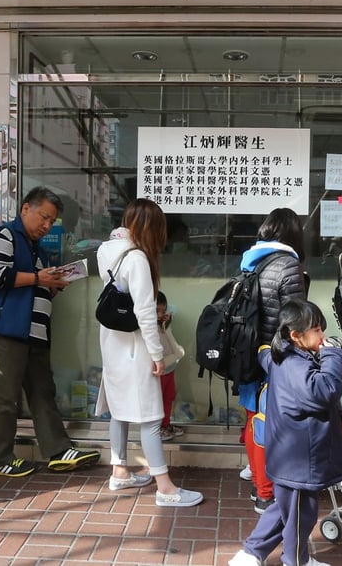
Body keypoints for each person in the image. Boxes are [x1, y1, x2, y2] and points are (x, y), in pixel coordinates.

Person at [0, 186, 100, 476]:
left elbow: (33, 286)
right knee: (3, 397)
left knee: (43, 392)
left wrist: (51, 286)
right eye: (44, 217)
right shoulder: (1, 237)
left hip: (34, 332)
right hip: (6, 331)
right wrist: (39, 277)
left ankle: (58, 450)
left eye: (52, 221)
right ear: (25, 209)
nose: (47, 225)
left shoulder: (35, 249)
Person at [229, 299, 342, 566]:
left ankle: (250, 555)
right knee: (301, 515)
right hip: (299, 458)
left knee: (283, 509)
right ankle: (296, 561)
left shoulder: (284, 356)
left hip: (291, 455)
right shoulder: (295, 365)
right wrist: (334, 356)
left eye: (322, 328)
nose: (322, 336)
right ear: (296, 335)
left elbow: (267, 356)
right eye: (317, 330)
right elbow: (324, 391)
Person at [95, 198, 203, 507]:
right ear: (151, 228)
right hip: (136, 348)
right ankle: (165, 488)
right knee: (151, 417)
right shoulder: (138, 258)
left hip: (112, 344)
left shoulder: (107, 250)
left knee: (119, 410)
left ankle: (119, 470)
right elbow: (145, 312)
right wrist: (158, 354)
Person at [239, 207, 307, 514]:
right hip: (273, 356)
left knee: (254, 418)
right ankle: (264, 494)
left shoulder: (251, 260)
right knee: (265, 425)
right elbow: (296, 319)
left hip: (246, 352)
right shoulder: (288, 265)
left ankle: (256, 476)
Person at [156, 291, 185, 441]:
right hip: (159, 372)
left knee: (168, 398)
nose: (161, 314)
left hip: (169, 370)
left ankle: (166, 424)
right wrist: (177, 355)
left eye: (163, 310)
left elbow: (174, 347)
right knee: (157, 401)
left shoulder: (164, 326)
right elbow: (177, 353)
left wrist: (165, 328)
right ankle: (158, 428)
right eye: (156, 311)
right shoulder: (147, 331)